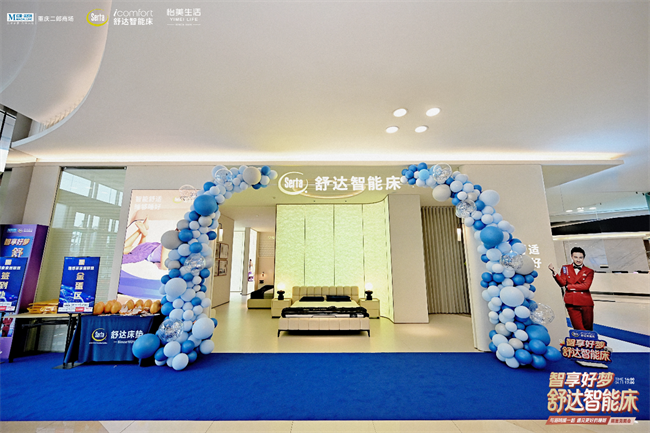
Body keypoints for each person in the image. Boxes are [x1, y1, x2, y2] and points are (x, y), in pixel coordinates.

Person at [548, 247, 595, 330]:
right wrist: (555, 273)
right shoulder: (565, 268)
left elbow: (586, 286)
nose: (578, 260)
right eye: (576, 257)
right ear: (571, 257)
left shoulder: (589, 271)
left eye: (580, 257)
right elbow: (562, 283)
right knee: (578, 329)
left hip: (585, 303)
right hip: (571, 303)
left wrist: (569, 286)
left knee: (588, 329)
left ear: (583, 258)